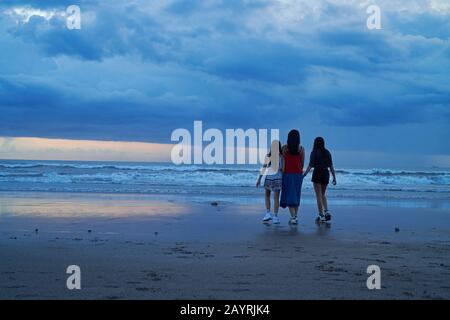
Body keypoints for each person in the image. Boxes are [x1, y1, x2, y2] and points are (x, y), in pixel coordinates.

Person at [303, 137, 336, 222]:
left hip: (317, 173)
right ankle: (327, 212)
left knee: (318, 195)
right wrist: (334, 177)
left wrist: (304, 174)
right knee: (323, 194)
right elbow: (331, 166)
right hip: (325, 173)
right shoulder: (327, 152)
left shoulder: (314, 152)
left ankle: (321, 215)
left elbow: (310, 165)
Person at [280, 130, 305, 225]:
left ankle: (293, 217)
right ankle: (295, 216)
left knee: (289, 195)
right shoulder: (301, 149)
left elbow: (282, 162)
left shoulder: (284, 148)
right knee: (296, 195)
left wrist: (282, 172)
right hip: (298, 174)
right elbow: (302, 164)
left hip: (287, 174)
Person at [256, 140, 283, 224]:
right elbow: (282, 169)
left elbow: (263, 168)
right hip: (278, 178)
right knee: (276, 198)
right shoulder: (281, 156)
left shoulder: (268, 156)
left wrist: (259, 179)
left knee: (267, 196)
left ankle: (268, 213)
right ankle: (275, 216)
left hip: (269, 178)